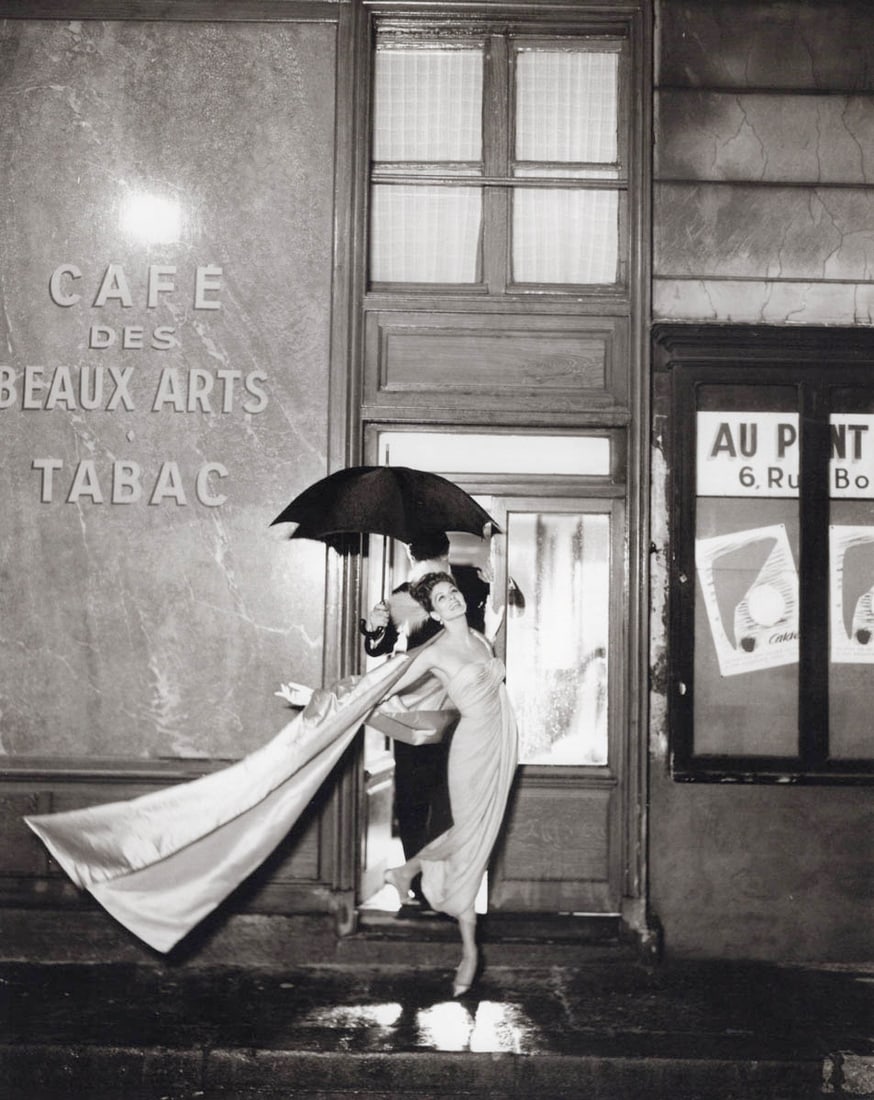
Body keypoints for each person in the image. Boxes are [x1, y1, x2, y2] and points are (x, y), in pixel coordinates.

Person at [380, 571, 518, 997]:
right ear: (434, 612)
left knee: (477, 835)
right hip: (471, 749)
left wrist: (496, 621)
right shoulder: (433, 652)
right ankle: (470, 951)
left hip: (500, 742)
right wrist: (321, 698)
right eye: (441, 598)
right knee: (468, 837)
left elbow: (490, 676)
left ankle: (405, 871)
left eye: (453, 592)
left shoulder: (479, 636)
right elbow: (382, 685)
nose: (452, 600)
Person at [360, 531, 491, 910]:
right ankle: (424, 884)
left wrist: (377, 630)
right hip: (420, 715)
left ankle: (433, 884)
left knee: (435, 802)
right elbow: (378, 645)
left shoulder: (471, 584)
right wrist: (375, 625)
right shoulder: (408, 594)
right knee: (425, 800)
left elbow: (379, 647)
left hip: (456, 712)